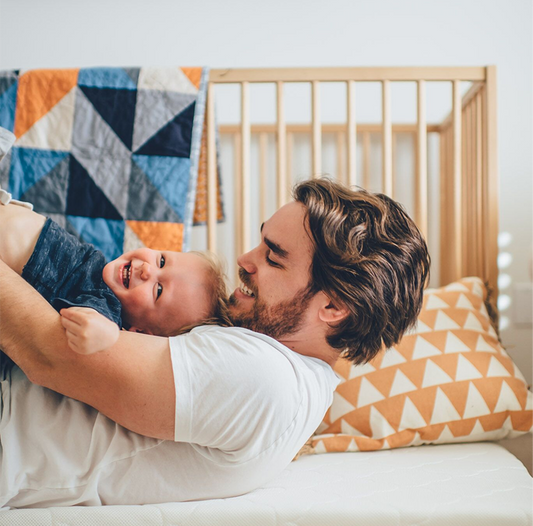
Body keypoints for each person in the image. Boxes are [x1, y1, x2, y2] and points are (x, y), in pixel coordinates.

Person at [0, 178, 430, 509]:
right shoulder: (282, 372)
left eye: (273, 256)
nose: (245, 260)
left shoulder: (265, 377)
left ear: (333, 307)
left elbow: (48, 355)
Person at [0, 128, 228, 354]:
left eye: (158, 290)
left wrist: (109, 335)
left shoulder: (107, 304)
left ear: (139, 333)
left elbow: (98, 323)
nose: (148, 270)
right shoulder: (95, 269)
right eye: (161, 261)